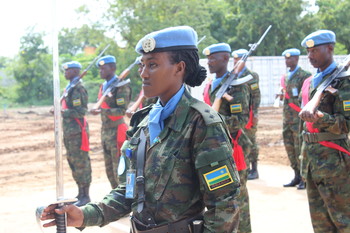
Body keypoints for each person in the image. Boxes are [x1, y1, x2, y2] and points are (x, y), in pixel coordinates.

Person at [41, 26, 241, 233]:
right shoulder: (142, 123)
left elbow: (224, 206)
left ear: (179, 68)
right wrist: (84, 215)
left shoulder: (202, 124)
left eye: (152, 65)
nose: (143, 73)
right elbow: (128, 192)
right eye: (142, 65)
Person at [299, 30, 350, 233]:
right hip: (311, 160)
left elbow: (347, 123)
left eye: (315, 50)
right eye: (308, 51)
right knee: (320, 223)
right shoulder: (311, 81)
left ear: (330, 48)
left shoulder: (344, 81)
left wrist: (322, 119)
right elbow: (302, 126)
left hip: (334, 161)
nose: (310, 56)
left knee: (343, 219)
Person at [203, 43, 252, 233]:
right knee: (219, 198)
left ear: (225, 58)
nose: (209, 62)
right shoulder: (211, 84)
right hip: (214, 149)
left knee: (238, 198)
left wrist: (214, 119)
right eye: (208, 58)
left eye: (213, 58)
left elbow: (240, 120)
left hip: (233, 147)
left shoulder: (237, 86)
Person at [90, 55, 131, 189]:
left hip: (117, 131)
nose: (101, 71)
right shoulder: (104, 87)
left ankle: (125, 199)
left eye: (104, 68)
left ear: (112, 68)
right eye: (100, 69)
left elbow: (121, 111)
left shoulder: (121, 86)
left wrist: (102, 111)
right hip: (106, 131)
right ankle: (115, 197)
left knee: (119, 167)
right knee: (109, 168)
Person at [60, 61, 92, 206]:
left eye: (68, 71)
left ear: (74, 71)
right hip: (69, 132)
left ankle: (86, 195)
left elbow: (81, 112)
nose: (65, 73)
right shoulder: (69, 87)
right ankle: (80, 192)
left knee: (81, 163)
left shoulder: (78, 88)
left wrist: (62, 112)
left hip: (78, 132)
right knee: (73, 162)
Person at [280, 48, 311, 190]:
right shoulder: (286, 76)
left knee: (300, 149)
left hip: (299, 119)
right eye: (286, 59)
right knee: (290, 147)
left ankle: (304, 178)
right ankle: (296, 175)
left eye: (290, 58)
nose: (287, 61)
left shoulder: (304, 75)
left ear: (297, 59)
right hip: (287, 118)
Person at [232, 49, 261, 180]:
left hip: (248, 114)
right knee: (239, 141)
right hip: (237, 115)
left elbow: (256, 96)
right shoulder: (233, 75)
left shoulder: (252, 75)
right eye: (234, 60)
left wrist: (254, 113)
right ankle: (245, 167)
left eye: (238, 60)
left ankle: (254, 168)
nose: (236, 62)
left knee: (251, 140)